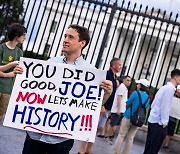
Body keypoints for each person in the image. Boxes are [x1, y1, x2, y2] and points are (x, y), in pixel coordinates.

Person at [14, 24, 112, 154]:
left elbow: (91, 106)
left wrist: (106, 94)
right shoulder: (51, 63)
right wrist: (22, 74)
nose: (65, 39)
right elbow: (33, 90)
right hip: (34, 134)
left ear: (82, 43)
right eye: (65, 36)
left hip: (61, 140)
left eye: (70, 37)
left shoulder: (91, 73)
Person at [78, 58, 122, 154]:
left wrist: (110, 108)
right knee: (91, 128)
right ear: (113, 65)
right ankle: (82, 149)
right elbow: (101, 90)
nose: (120, 67)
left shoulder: (115, 77)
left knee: (97, 128)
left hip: (108, 107)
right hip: (102, 106)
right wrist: (102, 105)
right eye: (119, 65)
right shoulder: (107, 75)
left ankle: (89, 148)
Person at [143, 69, 180, 154]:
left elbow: (154, 104)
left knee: (149, 147)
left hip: (154, 120)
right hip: (158, 123)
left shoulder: (165, 87)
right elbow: (165, 107)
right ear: (176, 77)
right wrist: (164, 122)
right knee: (153, 148)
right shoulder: (170, 89)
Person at [113, 79, 150, 154]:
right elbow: (145, 107)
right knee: (130, 137)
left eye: (138, 84)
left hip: (128, 116)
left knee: (121, 135)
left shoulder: (135, 93)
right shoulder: (148, 98)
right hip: (138, 119)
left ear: (140, 86)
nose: (137, 85)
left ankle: (116, 152)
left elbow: (128, 102)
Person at [0, 23, 27, 123]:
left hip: (7, 89)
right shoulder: (2, 48)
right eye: (23, 34)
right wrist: (11, 66)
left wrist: (11, 73)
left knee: (0, 116)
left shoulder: (19, 52)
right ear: (17, 35)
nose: (24, 37)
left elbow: (17, 72)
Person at [105, 75, 132, 144]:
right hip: (118, 110)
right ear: (124, 80)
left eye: (130, 81)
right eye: (127, 80)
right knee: (112, 124)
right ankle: (107, 136)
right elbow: (119, 98)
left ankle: (110, 136)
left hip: (122, 110)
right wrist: (118, 109)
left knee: (116, 125)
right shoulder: (122, 87)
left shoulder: (125, 88)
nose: (129, 82)